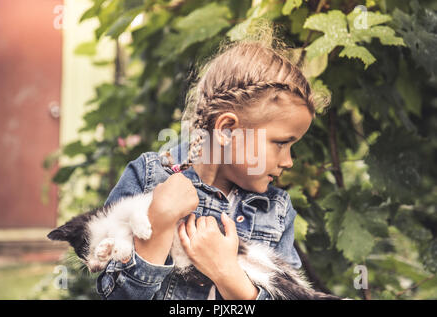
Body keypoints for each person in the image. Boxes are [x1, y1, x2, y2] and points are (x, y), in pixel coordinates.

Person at [96, 35, 322, 300]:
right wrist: (159, 223)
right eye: (281, 143)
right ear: (227, 129)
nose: (289, 161)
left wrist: (226, 273)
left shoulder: (276, 210)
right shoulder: (148, 179)